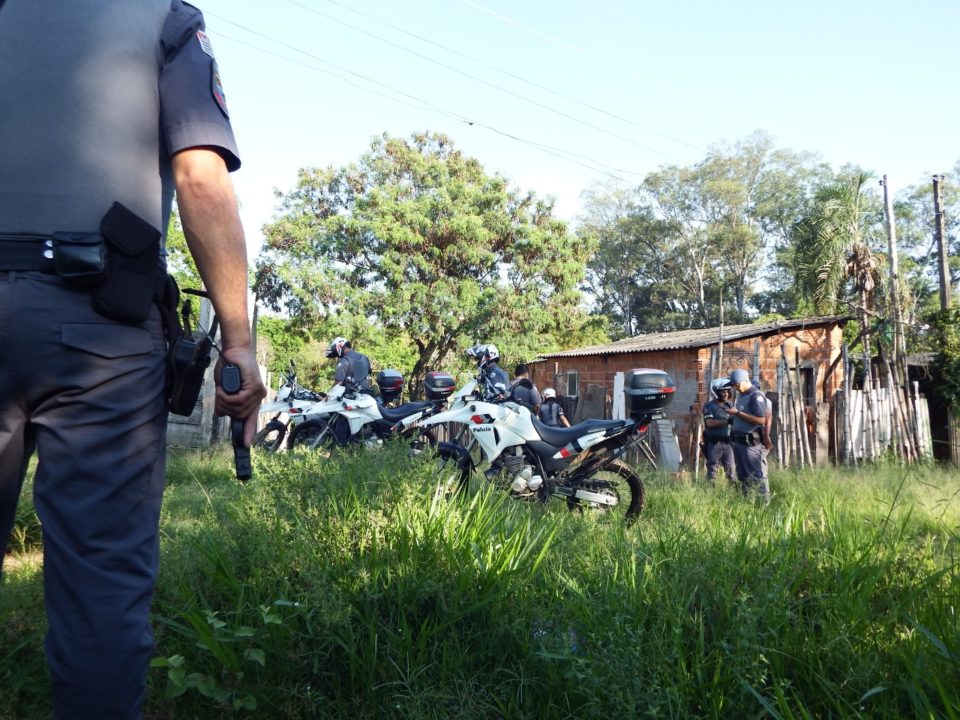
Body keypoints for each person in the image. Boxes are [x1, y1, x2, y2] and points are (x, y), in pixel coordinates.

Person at [0, 3, 267, 718]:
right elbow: (200, 175)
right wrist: (237, 341)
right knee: (99, 596)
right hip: (98, 333)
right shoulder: (162, 17)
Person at [727, 368, 772, 500]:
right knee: (742, 475)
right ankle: (748, 502)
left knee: (756, 476)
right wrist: (732, 418)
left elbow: (761, 419)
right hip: (739, 442)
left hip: (750, 443)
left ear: (745, 381)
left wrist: (738, 413)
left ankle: (763, 503)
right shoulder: (742, 395)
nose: (736, 388)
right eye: (734, 385)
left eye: (737, 384)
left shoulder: (756, 395)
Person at [702, 379, 737, 486]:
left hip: (728, 443)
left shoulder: (729, 406)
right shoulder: (709, 406)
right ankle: (709, 495)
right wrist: (727, 421)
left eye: (727, 391)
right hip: (714, 443)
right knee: (712, 471)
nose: (726, 394)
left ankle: (733, 495)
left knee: (731, 471)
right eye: (723, 391)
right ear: (716, 392)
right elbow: (709, 423)